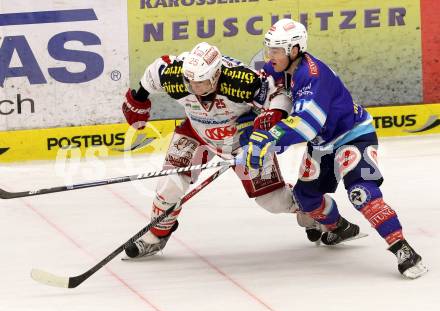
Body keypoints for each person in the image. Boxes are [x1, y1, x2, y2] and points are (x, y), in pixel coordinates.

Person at [240, 19, 428, 279]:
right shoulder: (280, 68)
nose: (269, 56)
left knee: (362, 193)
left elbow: (306, 125)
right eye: (268, 49)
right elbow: (260, 93)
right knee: (305, 198)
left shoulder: (312, 76)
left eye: (276, 50)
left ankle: (402, 248)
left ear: (295, 50)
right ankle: (339, 228)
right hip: (322, 143)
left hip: (353, 135)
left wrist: (270, 138)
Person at [120, 42, 324, 259]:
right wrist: (138, 98)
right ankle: (156, 235)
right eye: (189, 81)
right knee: (169, 184)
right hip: (197, 133)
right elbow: (155, 70)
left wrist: (270, 117)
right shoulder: (176, 76)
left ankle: (313, 213)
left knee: (273, 202)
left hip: (241, 141)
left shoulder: (241, 81)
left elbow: (278, 94)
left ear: (216, 75)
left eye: (200, 82)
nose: (193, 88)